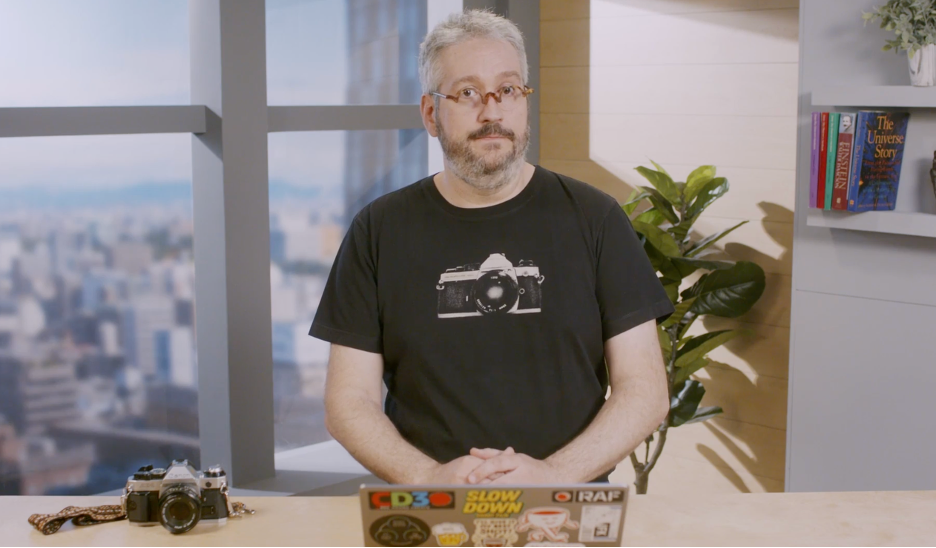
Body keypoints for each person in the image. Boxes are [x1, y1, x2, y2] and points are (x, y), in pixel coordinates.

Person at [311, 10, 674, 486]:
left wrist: (554, 475)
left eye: (508, 90)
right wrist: (429, 476)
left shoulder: (595, 218)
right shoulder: (378, 229)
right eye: (467, 93)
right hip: (432, 506)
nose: (492, 112)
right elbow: (347, 403)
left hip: (562, 505)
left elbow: (645, 390)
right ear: (430, 114)